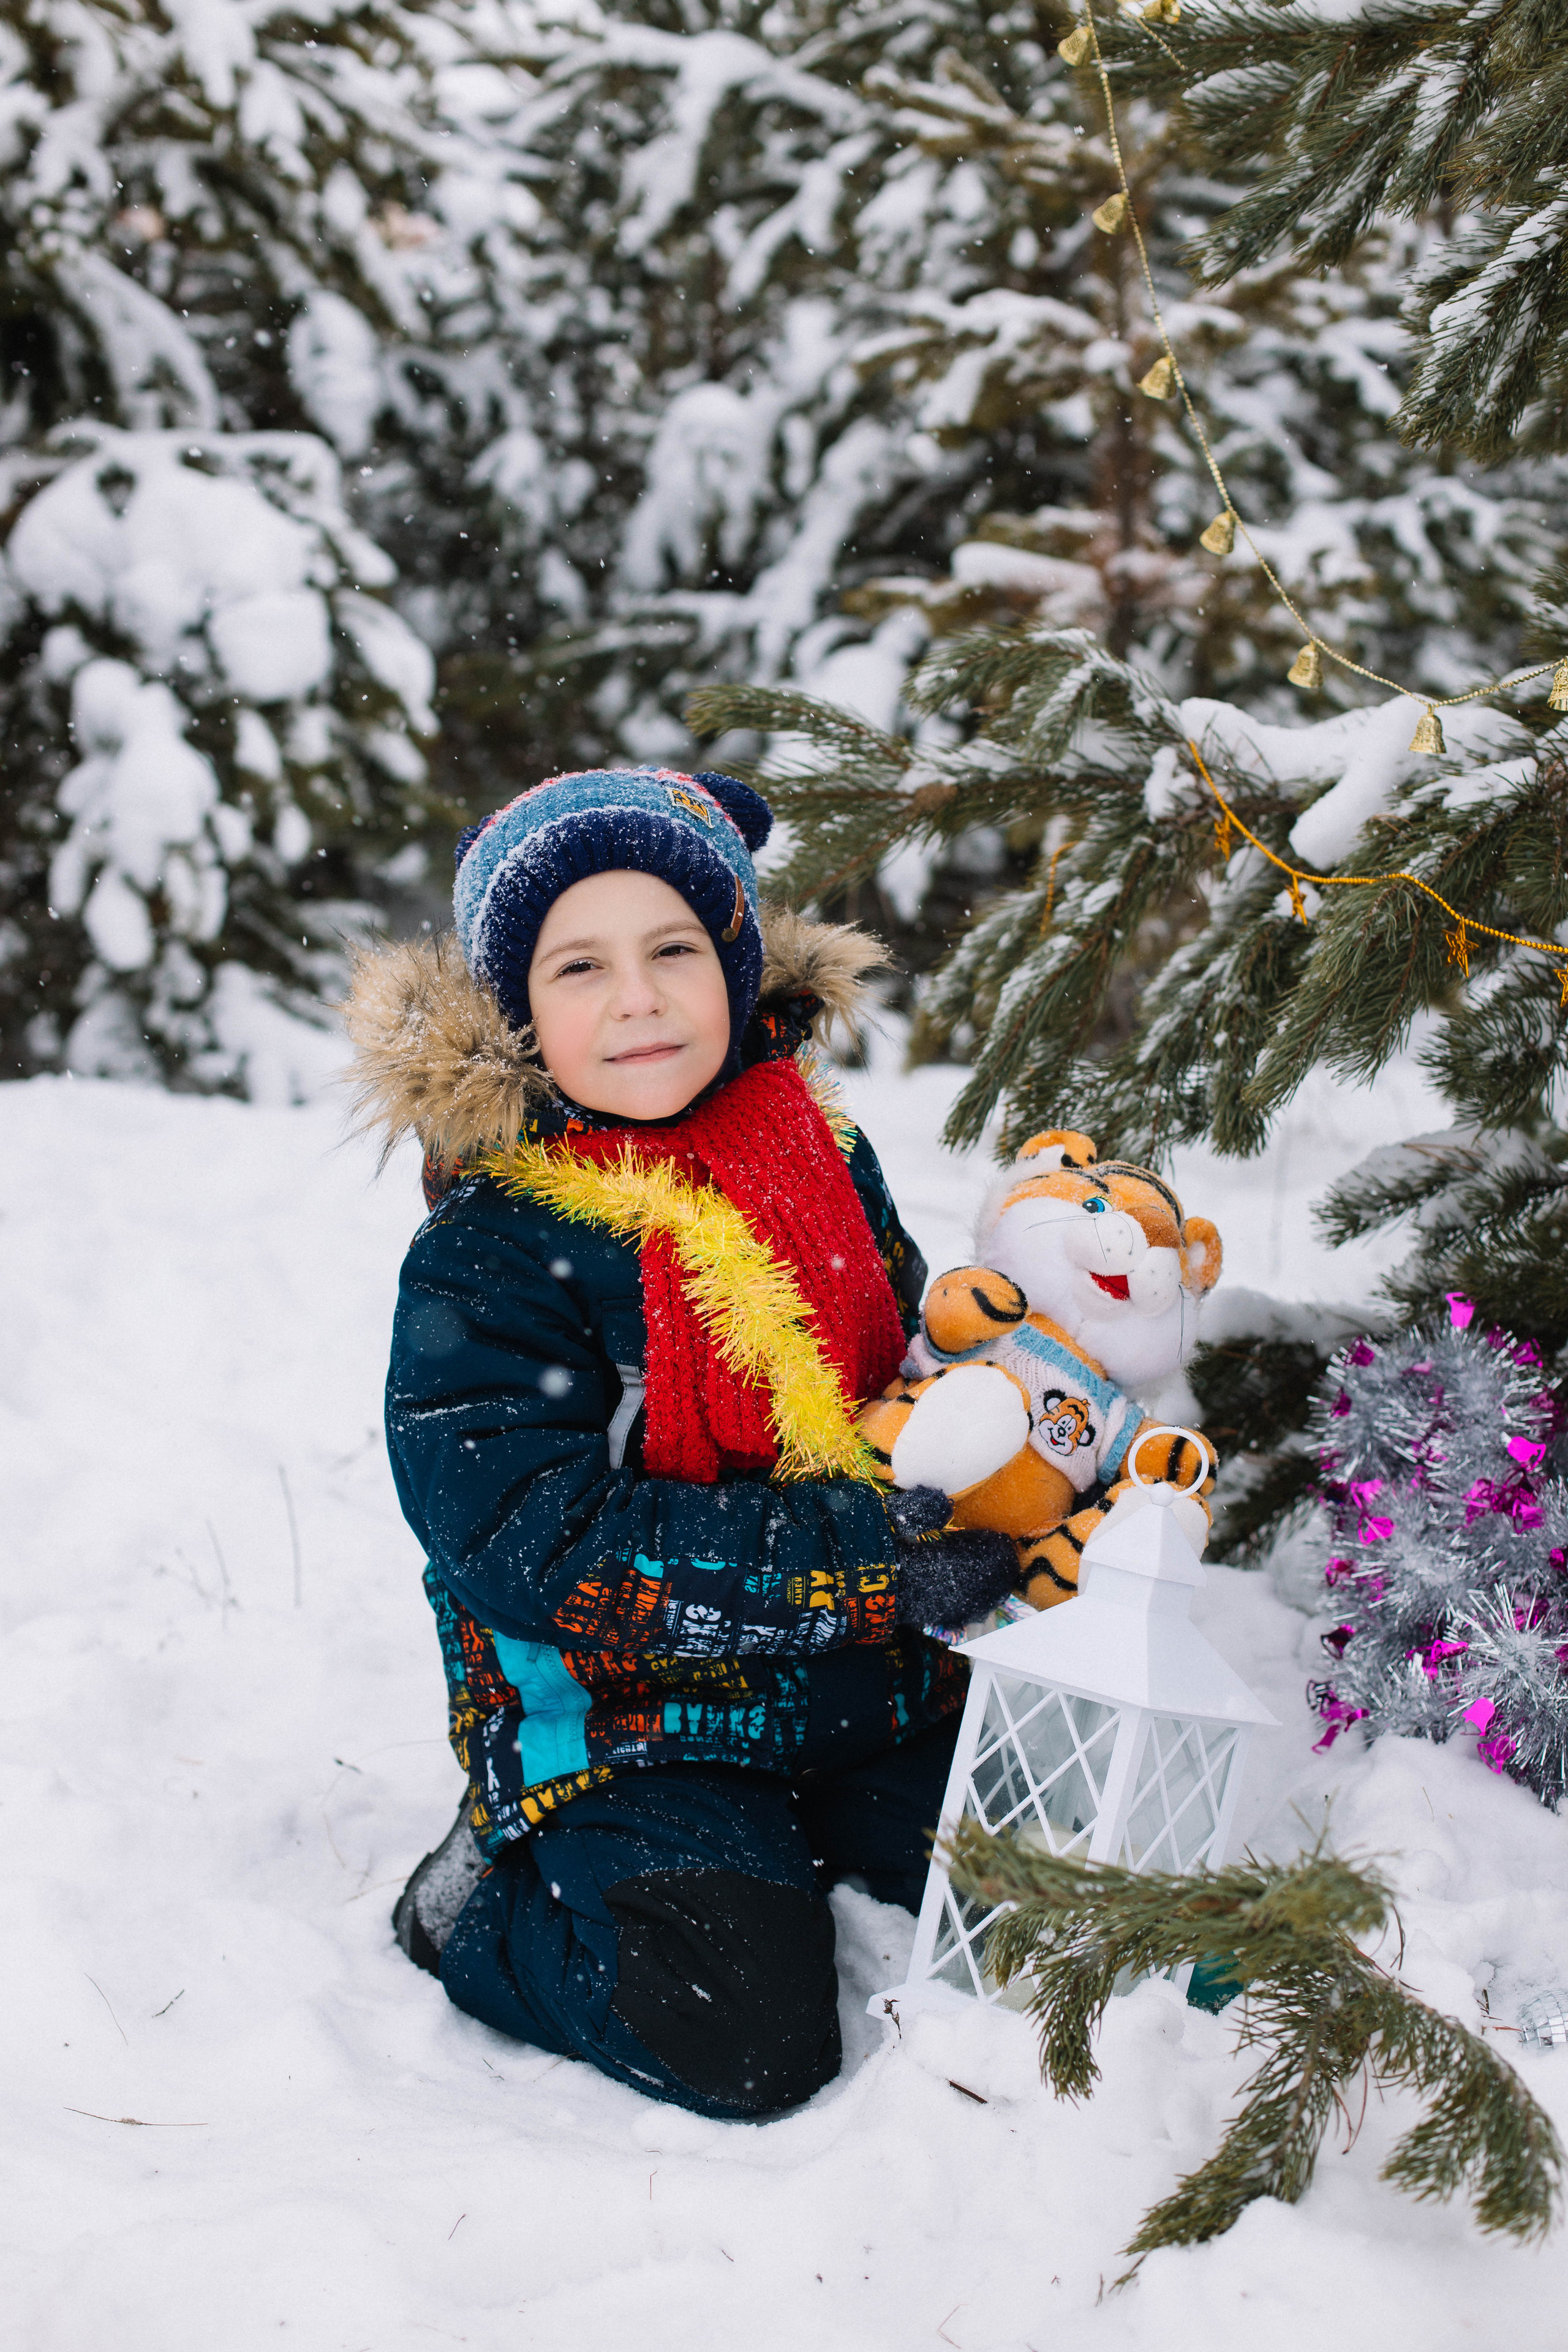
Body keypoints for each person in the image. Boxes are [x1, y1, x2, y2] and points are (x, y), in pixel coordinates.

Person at [344, 764, 1018, 2119]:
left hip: (862, 1691)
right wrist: (870, 1563)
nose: (636, 998)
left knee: (1022, 1912)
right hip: (629, 1723)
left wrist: (1019, 1443)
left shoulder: (812, 1154)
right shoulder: (492, 1253)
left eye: (671, 950)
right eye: (578, 966)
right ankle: (475, 1914)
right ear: (518, 1014)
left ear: (735, 965)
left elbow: (897, 1388)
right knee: (742, 2039)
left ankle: (823, 1826)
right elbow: (535, 1548)